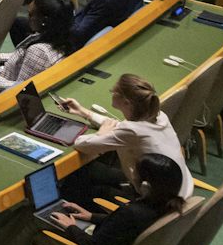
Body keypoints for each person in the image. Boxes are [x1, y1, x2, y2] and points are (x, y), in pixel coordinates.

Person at [22, 155, 187, 245]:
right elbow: (122, 226)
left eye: (136, 172)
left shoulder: (132, 213)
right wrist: (90, 216)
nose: (132, 174)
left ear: (145, 186)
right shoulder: (165, 205)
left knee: (32, 227)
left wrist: (70, 226)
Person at [56, 73, 194, 203]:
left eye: (114, 91)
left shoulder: (132, 131)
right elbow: (118, 125)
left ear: (126, 102)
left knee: (78, 181)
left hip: (158, 200)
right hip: (180, 187)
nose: (111, 92)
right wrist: (83, 112)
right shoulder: (158, 116)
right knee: (94, 171)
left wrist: (101, 134)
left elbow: (82, 144)